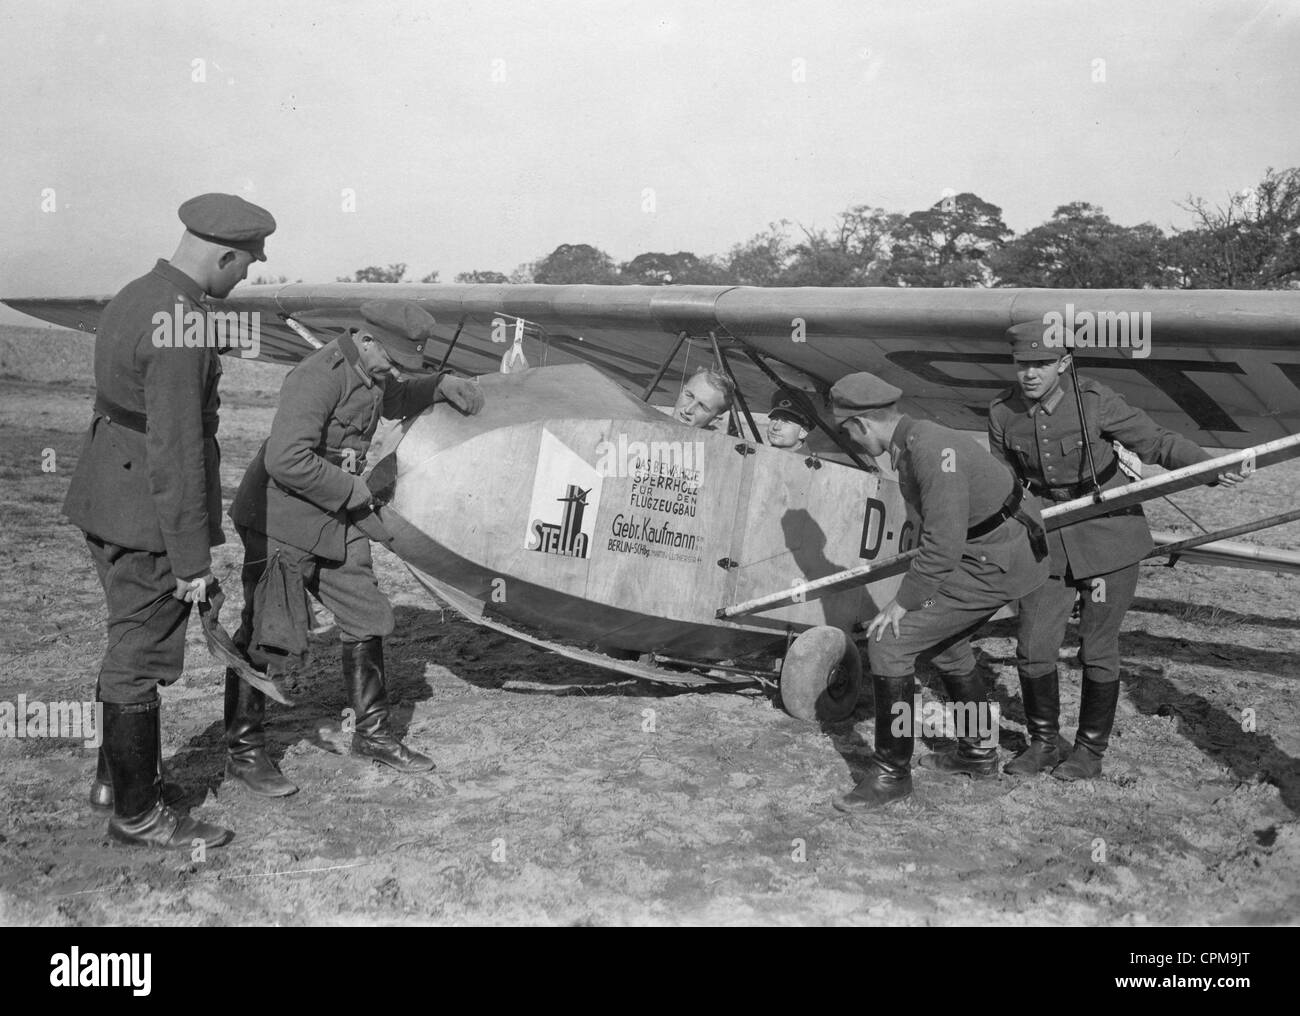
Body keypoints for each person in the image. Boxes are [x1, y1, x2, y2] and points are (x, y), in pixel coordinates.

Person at [65, 192, 276, 848]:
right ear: (224, 253)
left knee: (124, 635)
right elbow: (178, 453)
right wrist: (190, 563)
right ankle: (140, 817)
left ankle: (116, 781)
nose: (244, 277)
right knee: (139, 655)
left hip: (104, 496)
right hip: (145, 518)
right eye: (244, 265)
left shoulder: (137, 293)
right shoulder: (181, 324)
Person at [225, 299, 484, 795]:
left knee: (366, 613)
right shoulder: (317, 375)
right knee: (269, 631)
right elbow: (285, 459)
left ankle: (374, 735)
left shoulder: (372, 367)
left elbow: (391, 399)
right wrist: (352, 492)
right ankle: (244, 750)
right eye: (393, 359)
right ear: (366, 339)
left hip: (334, 515)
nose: (394, 370)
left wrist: (437, 385)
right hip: (279, 517)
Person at [988, 322, 1244, 780]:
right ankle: (1044, 744)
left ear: (1064, 364)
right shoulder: (1002, 413)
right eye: (1023, 364)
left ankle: (1088, 752)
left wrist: (1209, 466)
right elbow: (1001, 483)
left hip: (1109, 536)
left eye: (1041, 364)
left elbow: (1157, 442)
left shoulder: (1094, 401)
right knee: (1032, 645)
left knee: (1097, 646)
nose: (1030, 374)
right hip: (1045, 541)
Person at [828, 372, 1050, 813]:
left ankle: (891, 775)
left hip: (996, 561)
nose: (849, 440)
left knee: (889, 642)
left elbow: (941, 547)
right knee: (947, 645)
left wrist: (902, 603)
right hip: (984, 553)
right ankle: (978, 752)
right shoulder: (912, 444)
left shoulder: (929, 451)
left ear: (863, 424)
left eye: (847, 431)